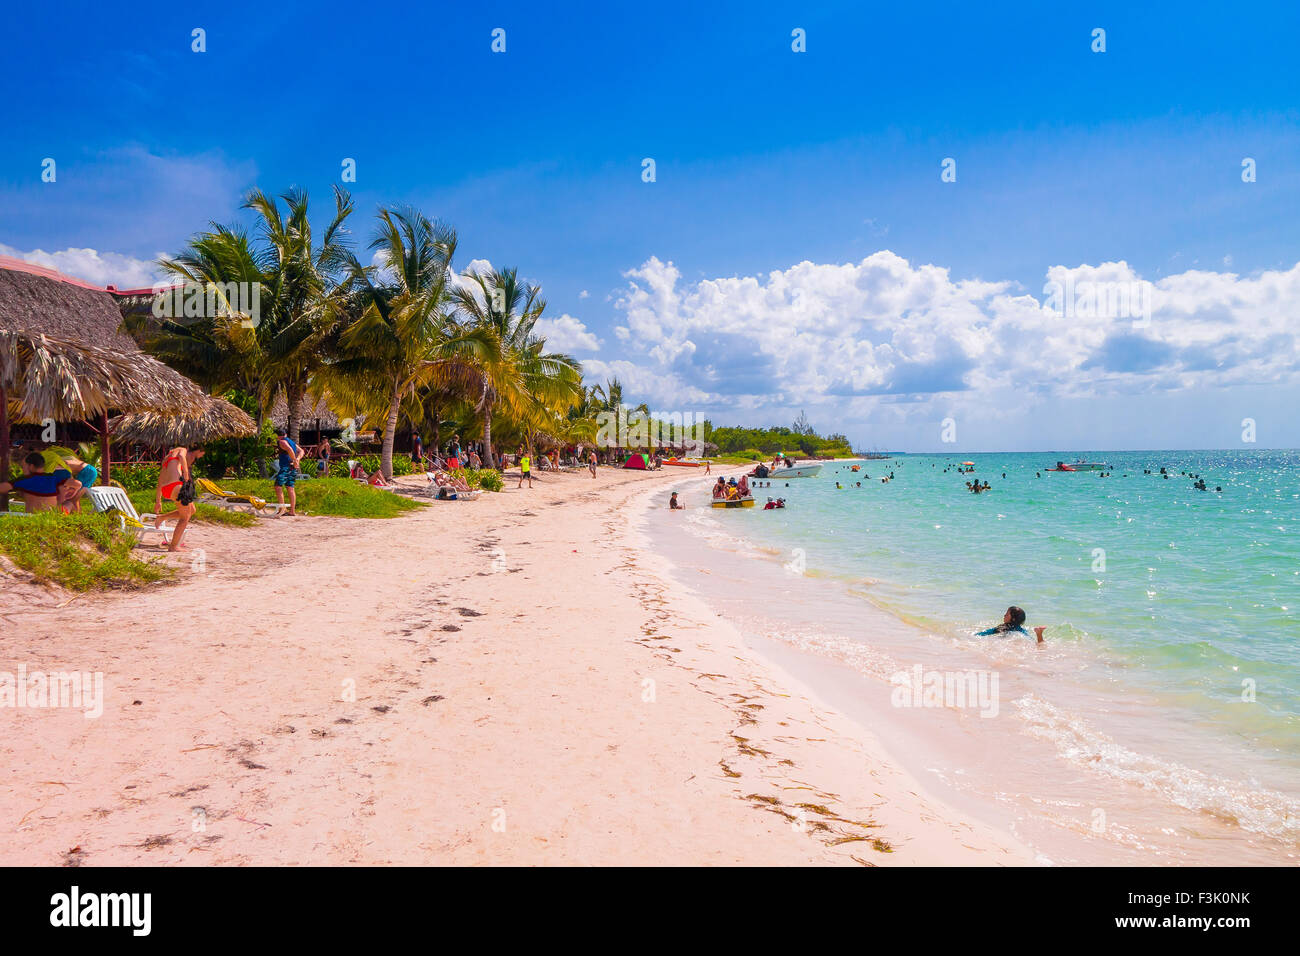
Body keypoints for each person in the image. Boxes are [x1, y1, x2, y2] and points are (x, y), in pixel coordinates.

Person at [154, 445, 204, 551]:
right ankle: (173, 546)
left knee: (192, 510)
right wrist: (186, 473)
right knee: (184, 518)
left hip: (166, 489)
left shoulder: (166, 459)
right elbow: (182, 455)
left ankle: (162, 517)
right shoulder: (182, 449)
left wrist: (158, 501)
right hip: (176, 485)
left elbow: (159, 482)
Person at [0, 452, 72, 513]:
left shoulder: (25, 480)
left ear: (31, 466)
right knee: (69, 503)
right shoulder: (54, 479)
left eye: (23, 467)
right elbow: (62, 498)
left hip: (31, 518)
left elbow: (2, 488)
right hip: (50, 517)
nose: (23, 470)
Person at [273, 428, 304, 516]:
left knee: (278, 486)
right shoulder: (292, 442)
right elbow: (301, 451)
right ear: (286, 434)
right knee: (290, 487)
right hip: (292, 468)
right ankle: (292, 511)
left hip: (286, 467)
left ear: (278, 436)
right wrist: (298, 459)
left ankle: (282, 509)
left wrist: (295, 460)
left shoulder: (281, 441)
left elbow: (289, 449)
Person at [977, 606, 1045, 644]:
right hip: (1021, 640)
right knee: (1036, 645)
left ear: (1013, 619)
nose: (1004, 615)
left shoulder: (1002, 628)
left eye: (1007, 614)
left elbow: (983, 634)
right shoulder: (1022, 631)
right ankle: (1039, 634)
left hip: (1007, 640)